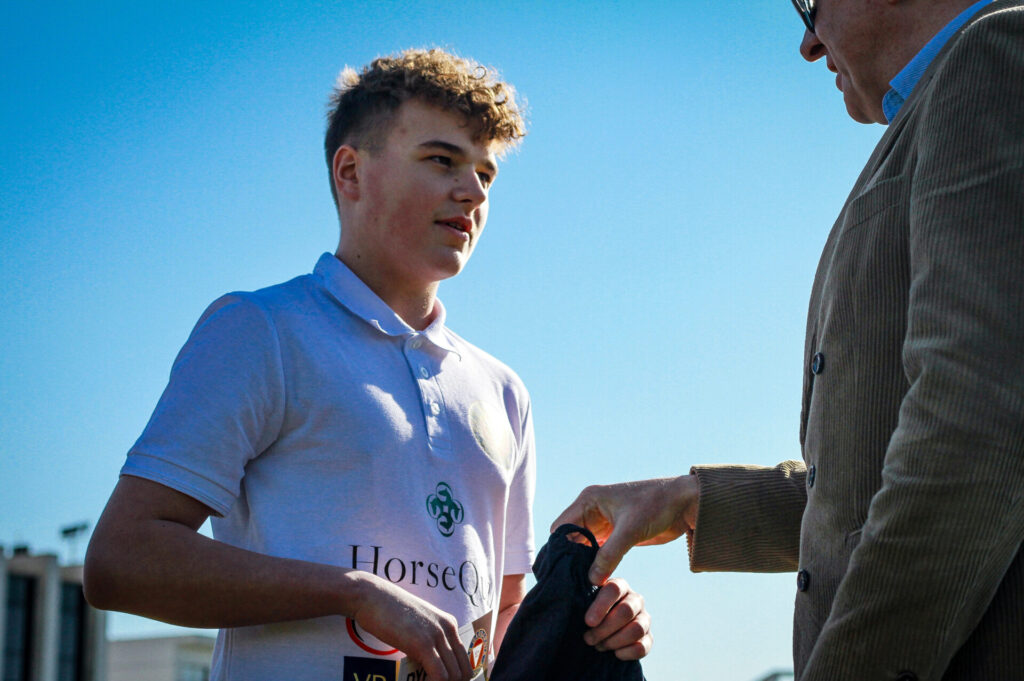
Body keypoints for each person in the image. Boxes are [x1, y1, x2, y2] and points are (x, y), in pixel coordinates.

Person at [84, 48, 650, 681]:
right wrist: (355, 591)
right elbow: (119, 561)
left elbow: (504, 614)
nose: (472, 192)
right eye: (442, 161)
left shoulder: (504, 391)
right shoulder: (262, 330)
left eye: (486, 175)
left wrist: (594, 618)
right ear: (350, 172)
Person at [554, 1, 1024, 679]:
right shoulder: (960, 87)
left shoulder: (995, 55)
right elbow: (878, 482)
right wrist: (690, 499)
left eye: (810, 3)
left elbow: (975, 431)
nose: (808, 44)